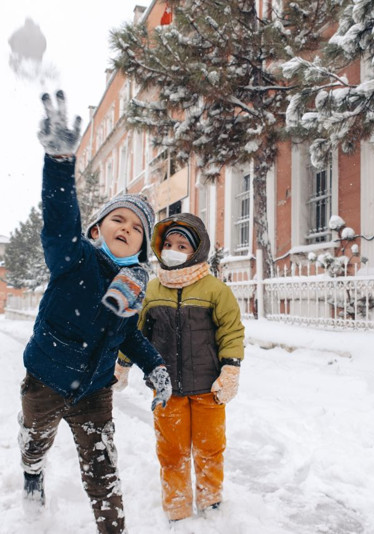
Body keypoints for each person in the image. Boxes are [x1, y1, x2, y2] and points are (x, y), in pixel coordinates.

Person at [18, 90, 172, 533]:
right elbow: (58, 214)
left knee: (103, 470)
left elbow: (128, 335)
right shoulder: (74, 259)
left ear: (143, 246)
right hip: (46, 380)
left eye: (137, 227)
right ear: (96, 229)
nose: (127, 228)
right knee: (35, 443)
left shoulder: (135, 286)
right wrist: (60, 162)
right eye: (118, 219)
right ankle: (31, 471)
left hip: (94, 393)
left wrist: (154, 365)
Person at [115, 213, 245, 522]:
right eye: (169, 243)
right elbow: (136, 334)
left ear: (197, 250)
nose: (173, 249)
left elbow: (231, 331)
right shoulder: (153, 291)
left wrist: (230, 370)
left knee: (209, 449)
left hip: (208, 389)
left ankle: (211, 501)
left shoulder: (215, 290)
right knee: (171, 452)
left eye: (182, 244)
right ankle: (177, 507)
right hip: (165, 389)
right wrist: (122, 365)